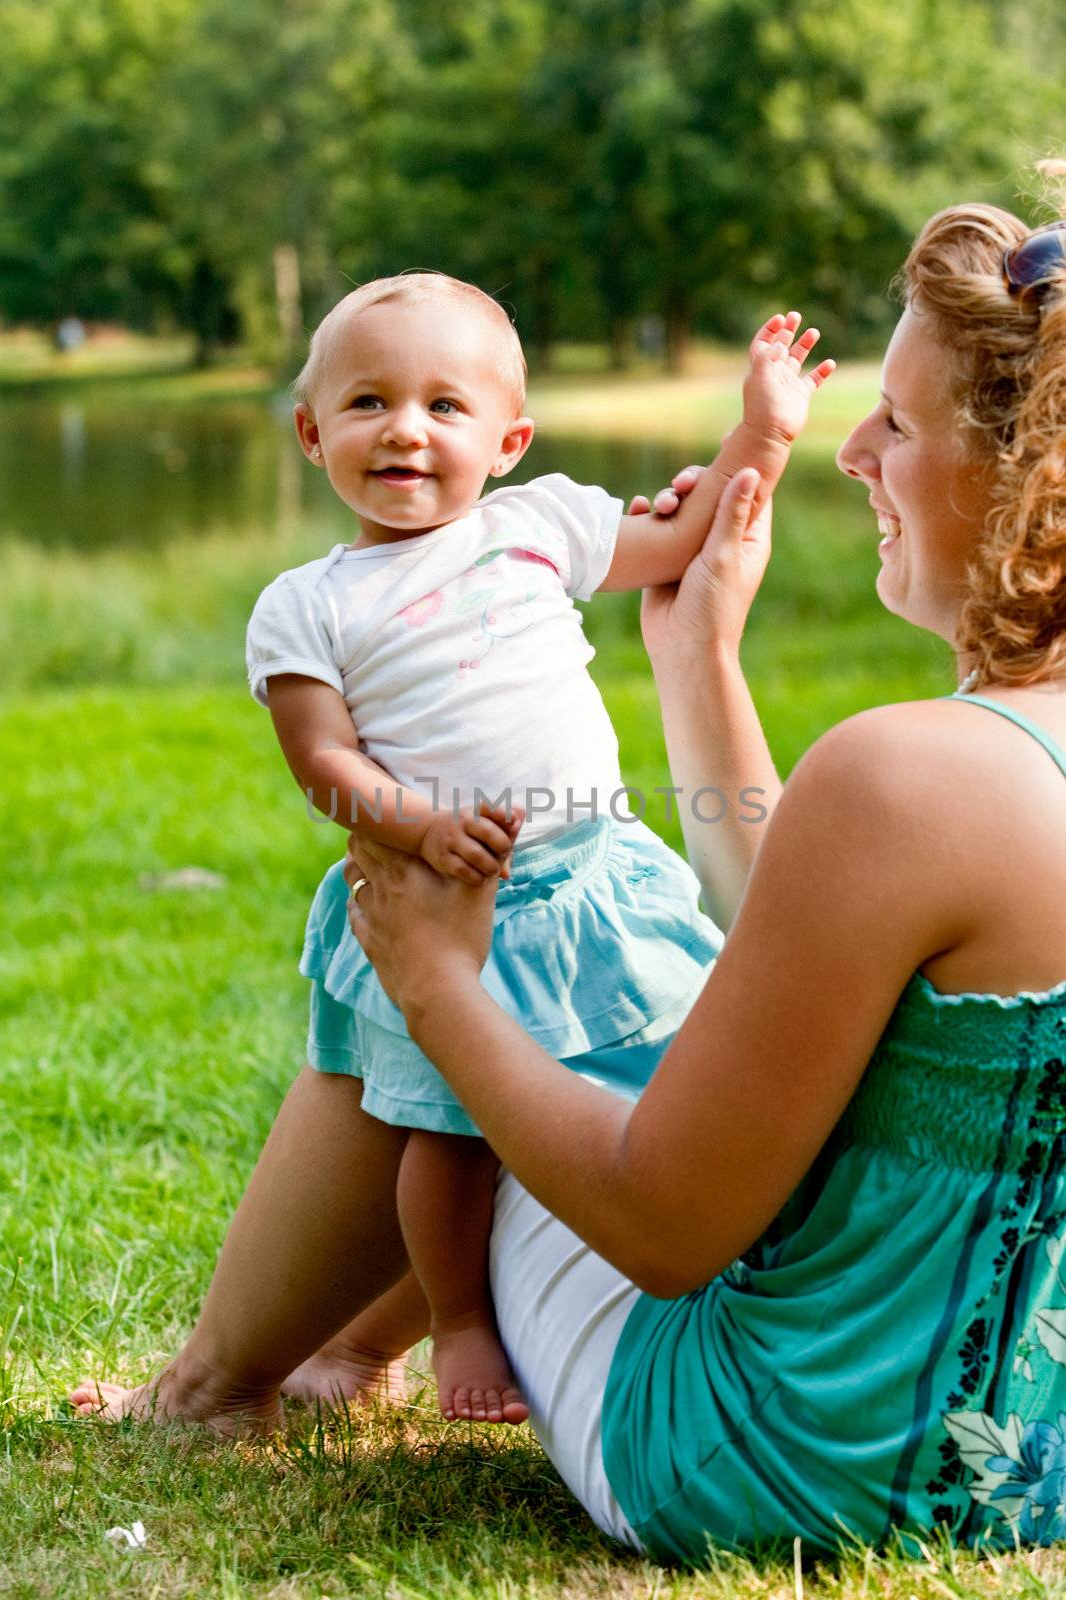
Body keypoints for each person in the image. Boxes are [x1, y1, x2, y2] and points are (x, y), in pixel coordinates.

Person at [72, 186, 1066, 1559]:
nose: (851, 457)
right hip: (1023, 1468)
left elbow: (662, 1227)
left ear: (1024, 474)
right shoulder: (973, 775)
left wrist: (436, 988)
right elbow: (814, 943)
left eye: (892, 423)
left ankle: (211, 1386)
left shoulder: (906, 772)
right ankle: (329, 1355)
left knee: (489, 1012)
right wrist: (695, 654)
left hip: (763, 1455)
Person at [75, 272, 832, 1429]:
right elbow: (321, 759)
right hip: (450, 893)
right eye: (368, 401)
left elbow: (688, 532)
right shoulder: (308, 604)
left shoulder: (539, 527)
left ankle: (360, 1344)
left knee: (634, 1090)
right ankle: (452, 1324)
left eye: (443, 404)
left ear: (509, 439)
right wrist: (417, 824)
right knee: (442, 1133)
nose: (404, 429)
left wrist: (763, 436)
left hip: (594, 880)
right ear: (310, 430)